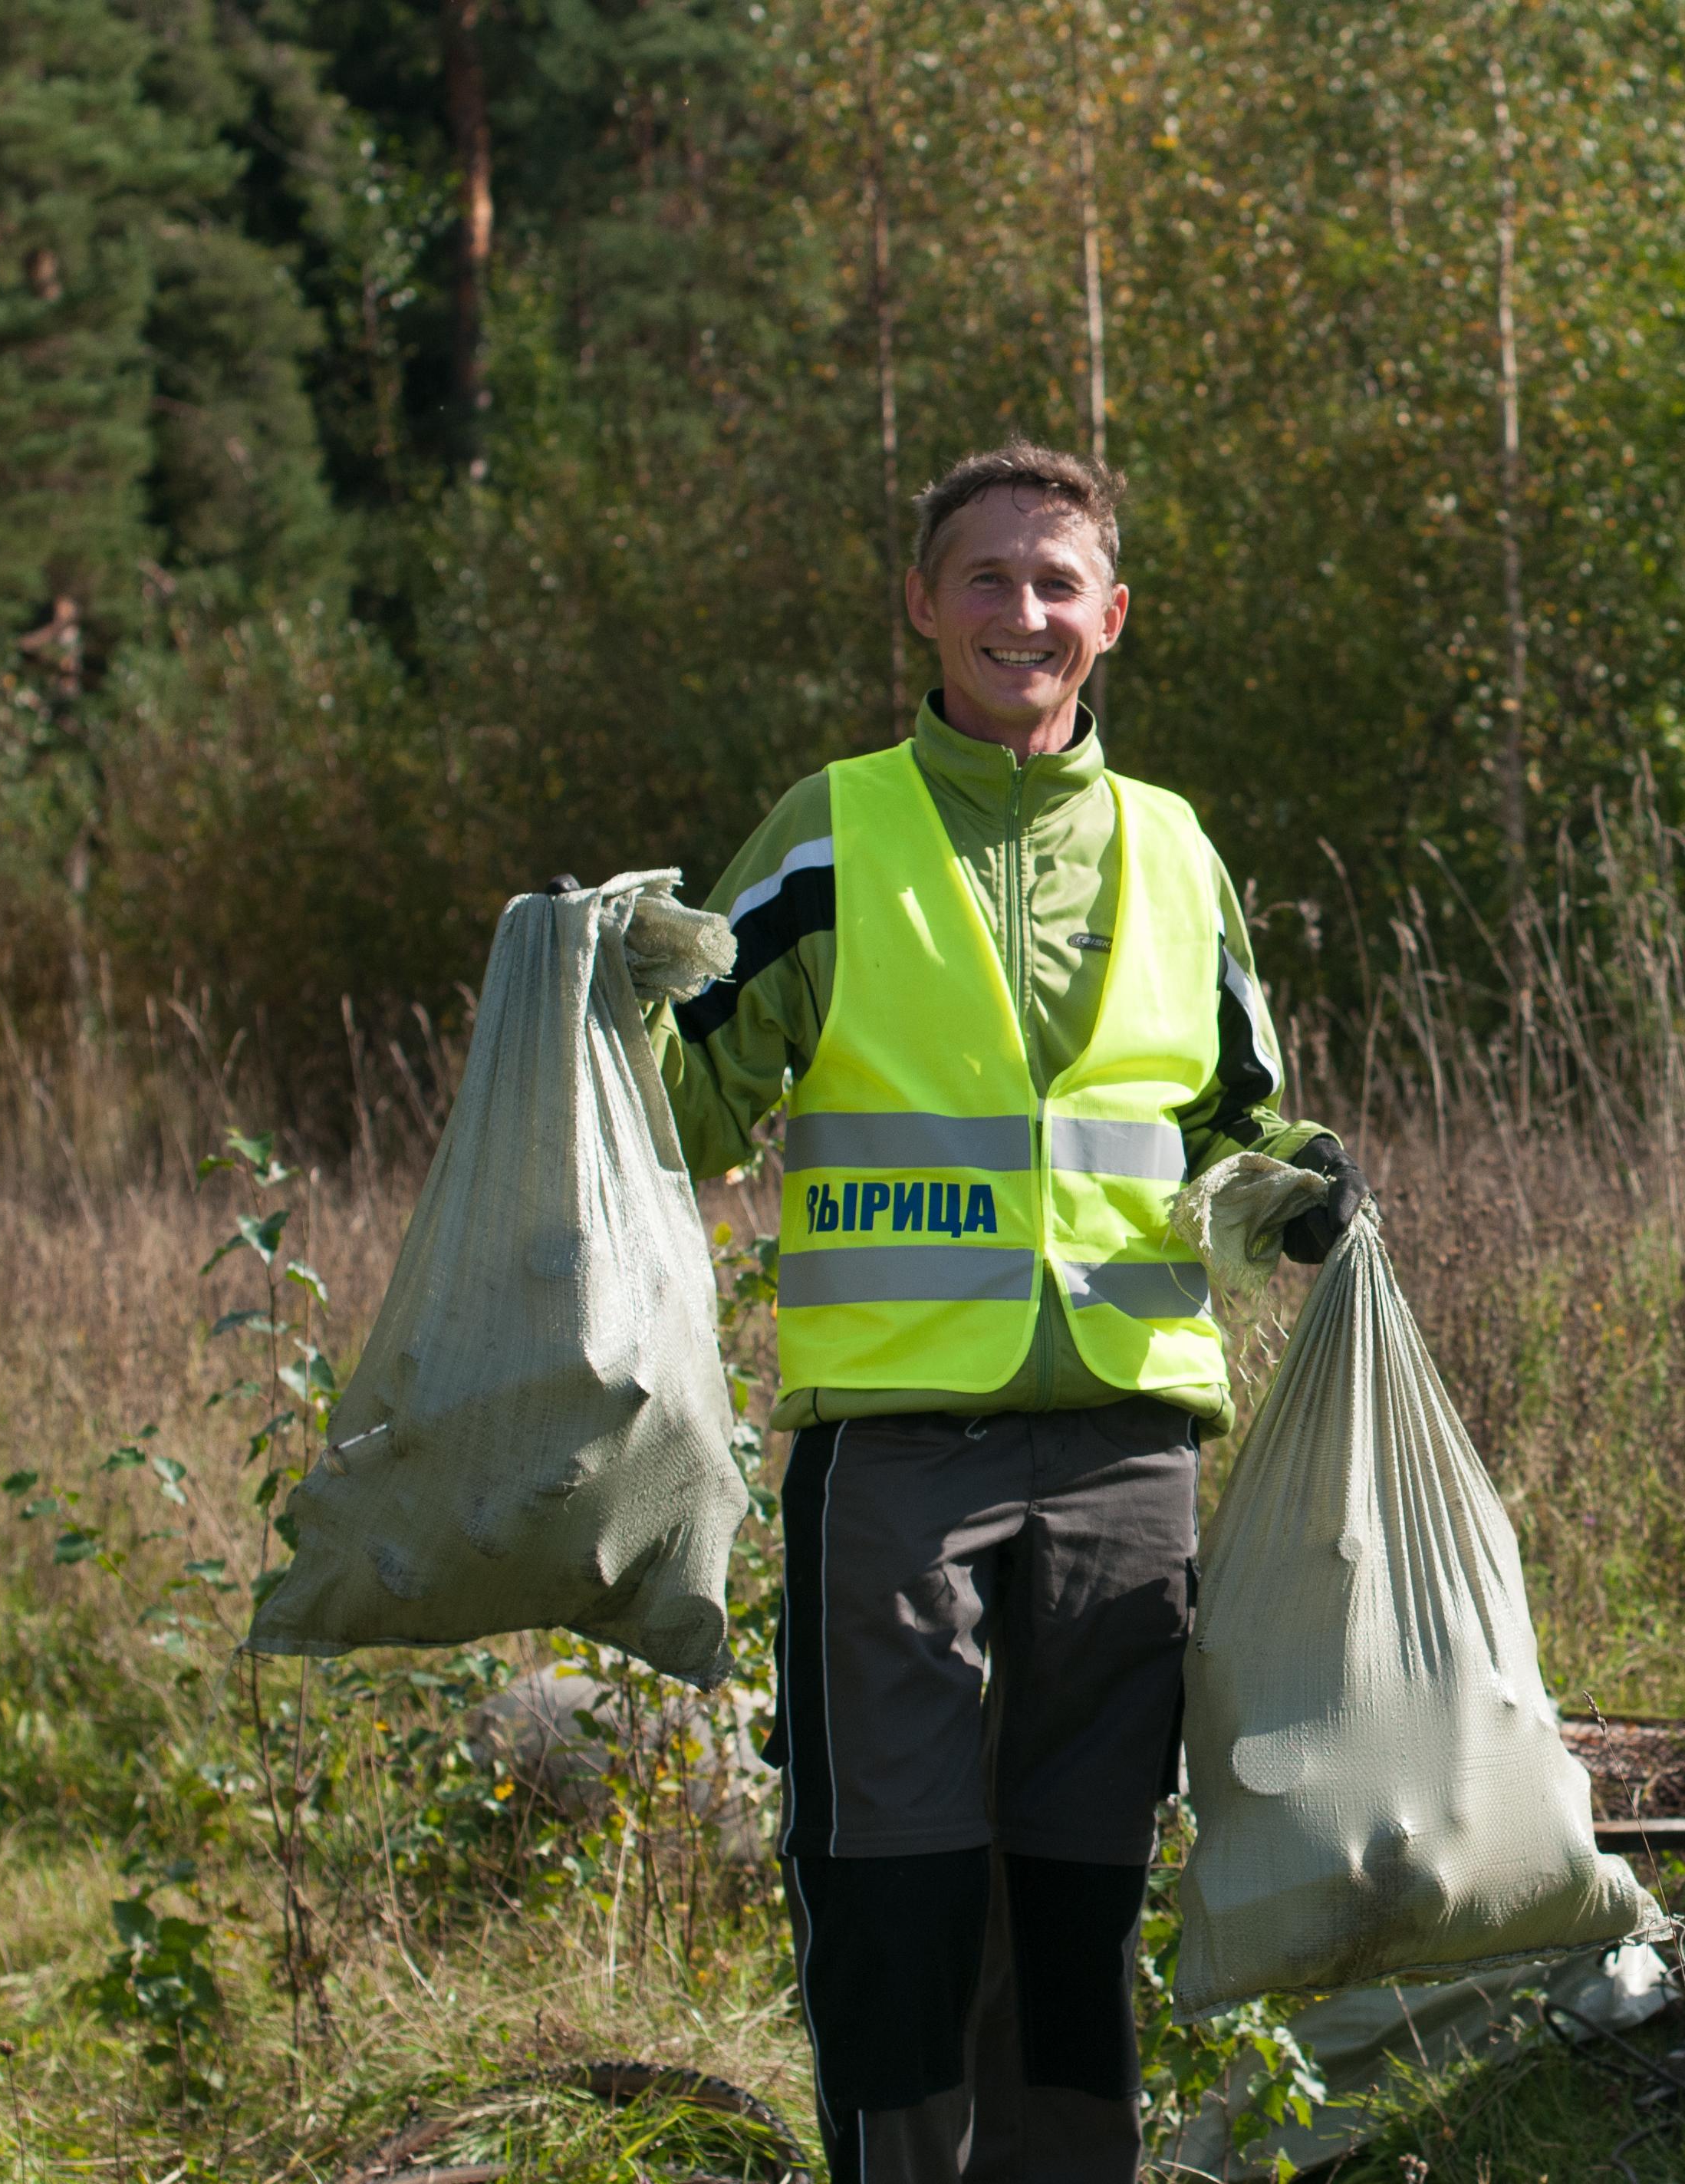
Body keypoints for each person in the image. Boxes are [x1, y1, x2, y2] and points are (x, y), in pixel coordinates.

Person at [651, 439, 1369, 2183]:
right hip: (891, 1457)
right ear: (919, 604)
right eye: (984, 577)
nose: (1020, 613)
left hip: (1129, 1453)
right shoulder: (830, 827)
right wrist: (613, 990)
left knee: (1073, 1909)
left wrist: (1303, 1185)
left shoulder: (1178, 849)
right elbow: (679, 1108)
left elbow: (1229, 1114)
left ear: (1109, 618)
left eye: (1055, 583)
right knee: (890, 1894)